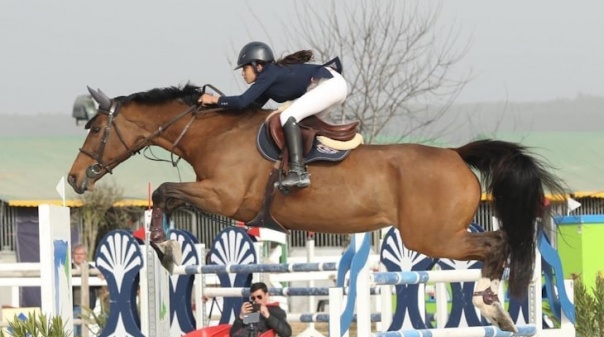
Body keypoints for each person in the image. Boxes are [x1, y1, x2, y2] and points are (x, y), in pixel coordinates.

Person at [199, 41, 348, 188]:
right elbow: (250, 107)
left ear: (258, 65)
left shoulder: (269, 73)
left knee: (287, 116)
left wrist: (215, 99)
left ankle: (298, 172)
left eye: (245, 68)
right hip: (332, 85)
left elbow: (242, 101)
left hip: (330, 84)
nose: (242, 73)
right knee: (302, 123)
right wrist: (218, 108)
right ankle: (313, 165)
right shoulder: (270, 77)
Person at [72, 243, 103, 337]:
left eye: (81, 254)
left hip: (86, 305)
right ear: (73, 255)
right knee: (75, 328)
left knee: (80, 328)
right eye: (76, 254)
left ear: (85, 255)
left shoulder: (90, 268)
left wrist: (99, 276)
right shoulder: (68, 267)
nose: (79, 256)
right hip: (71, 304)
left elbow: (98, 286)